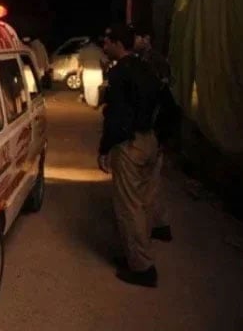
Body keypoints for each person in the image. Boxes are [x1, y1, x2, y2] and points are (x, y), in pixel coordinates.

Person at [98, 23, 163, 287]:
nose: (104, 46)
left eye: (107, 42)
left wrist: (105, 149)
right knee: (145, 203)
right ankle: (138, 255)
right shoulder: (146, 68)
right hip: (150, 140)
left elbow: (116, 117)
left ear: (117, 44)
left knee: (129, 207)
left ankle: (142, 268)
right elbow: (164, 102)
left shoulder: (120, 74)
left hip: (130, 144)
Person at [133, 25, 176, 242]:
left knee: (147, 187)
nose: (134, 41)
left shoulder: (154, 63)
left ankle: (148, 231)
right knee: (152, 184)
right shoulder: (145, 60)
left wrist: (159, 135)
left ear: (147, 38)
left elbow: (161, 102)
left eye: (137, 37)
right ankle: (160, 225)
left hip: (155, 130)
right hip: (155, 130)